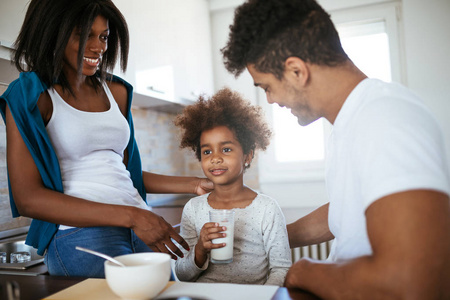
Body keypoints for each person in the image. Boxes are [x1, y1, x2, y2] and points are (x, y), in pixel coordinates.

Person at [221, 0, 450, 298]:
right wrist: (270, 238)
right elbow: (351, 207)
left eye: (266, 87)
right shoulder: (353, 120)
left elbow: (407, 282)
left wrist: (301, 271)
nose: (270, 100)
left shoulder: (385, 117)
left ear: (296, 71)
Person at [0, 0, 212, 278]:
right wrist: (133, 216)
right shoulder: (30, 94)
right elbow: (28, 198)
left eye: (103, 36)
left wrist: (195, 184)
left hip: (142, 226)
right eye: (85, 34)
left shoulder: (117, 92)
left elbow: (126, 174)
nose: (99, 46)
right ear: (53, 31)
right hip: (81, 234)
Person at [173, 88, 292, 286]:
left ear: (248, 155)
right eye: (207, 151)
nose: (216, 158)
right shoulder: (193, 209)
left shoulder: (266, 208)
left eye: (226, 149)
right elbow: (183, 274)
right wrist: (200, 251)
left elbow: (281, 269)